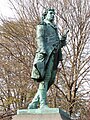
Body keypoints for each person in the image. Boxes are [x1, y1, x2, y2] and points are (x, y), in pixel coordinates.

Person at [28, 8, 68, 109]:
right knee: (44, 79)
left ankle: (34, 103)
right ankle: (43, 104)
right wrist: (43, 50)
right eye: (50, 13)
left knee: (51, 80)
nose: (53, 15)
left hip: (54, 55)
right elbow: (40, 38)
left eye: (54, 14)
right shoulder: (42, 25)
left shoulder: (54, 27)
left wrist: (63, 39)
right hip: (46, 55)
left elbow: (59, 44)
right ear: (45, 15)